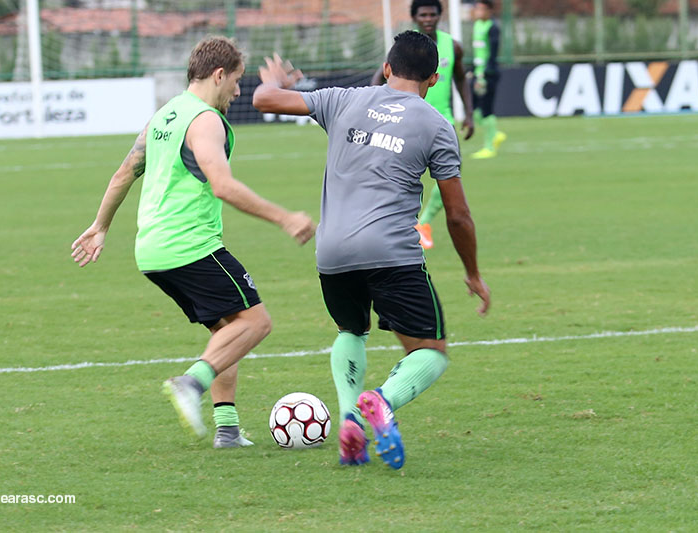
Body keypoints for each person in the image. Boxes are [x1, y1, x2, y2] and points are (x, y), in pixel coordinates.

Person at [253, 32, 490, 469]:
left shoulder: (344, 99)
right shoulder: (436, 126)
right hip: (391, 253)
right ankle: (380, 401)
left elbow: (266, 100)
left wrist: (278, 79)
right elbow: (457, 215)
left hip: (332, 252)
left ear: (386, 68)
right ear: (435, 79)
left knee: (351, 330)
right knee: (430, 352)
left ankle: (349, 420)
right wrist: (473, 273)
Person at [71, 36, 315, 449]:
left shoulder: (164, 116)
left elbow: (123, 173)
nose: (238, 92)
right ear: (219, 75)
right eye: (236, 81)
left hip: (152, 250)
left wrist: (100, 226)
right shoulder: (205, 120)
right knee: (256, 323)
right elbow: (222, 186)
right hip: (189, 246)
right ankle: (191, 383)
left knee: (227, 328)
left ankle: (228, 430)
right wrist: (284, 216)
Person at [371, 0, 475, 250]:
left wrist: (469, 114)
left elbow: (461, 79)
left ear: (440, 16)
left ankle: (423, 222)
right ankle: (395, 224)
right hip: (407, 120)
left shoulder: (453, 46)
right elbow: (378, 78)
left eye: (432, 14)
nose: (428, 19)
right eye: (423, 15)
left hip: (443, 123)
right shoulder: (405, 47)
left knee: (451, 177)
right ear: (415, 18)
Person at [470, 0, 506, 160]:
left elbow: (492, 54)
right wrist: (473, 71)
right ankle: (496, 134)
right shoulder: (477, 25)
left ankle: (490, 147)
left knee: (486, 109)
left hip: (488, 74)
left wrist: (484, 75)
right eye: (477, 8)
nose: (478, 11)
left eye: (482, 9)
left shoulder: (493, 28)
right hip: (478, 74)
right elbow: (479, 53)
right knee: (475, 111)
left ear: (489, 11)